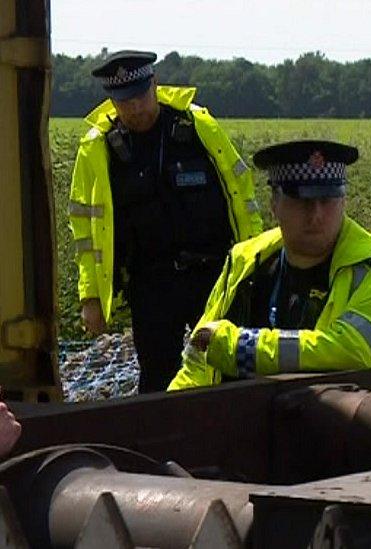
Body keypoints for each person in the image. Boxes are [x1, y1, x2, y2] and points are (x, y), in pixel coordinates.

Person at [68, 51, 263, 393]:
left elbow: (241, 195)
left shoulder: (197, 126)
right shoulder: (98, 148)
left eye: (142, 96)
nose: (136, 108)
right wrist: (91, 299)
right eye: (125, 101)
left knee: (230, 370)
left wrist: (256, 265)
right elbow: (85, 231)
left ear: (154, 85)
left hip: (213, 275)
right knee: (158, 379)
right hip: (150, 282)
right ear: (112, 101)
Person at [168, 140, 371, 391]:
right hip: (251, 423)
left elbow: (354, 352)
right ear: (275, 204)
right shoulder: (246, 260)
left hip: (354, 427)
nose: (316, 215)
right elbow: (199, 360)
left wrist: (242, 349)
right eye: (302, 201)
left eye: (327, 200)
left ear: (343, 201)